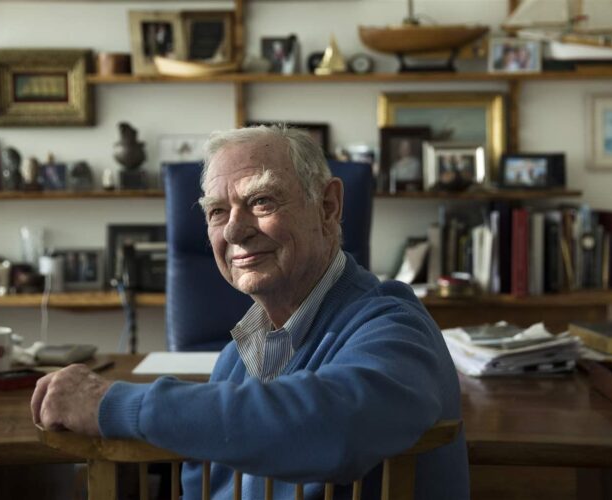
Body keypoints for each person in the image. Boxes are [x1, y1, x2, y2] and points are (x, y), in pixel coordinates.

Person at [31, 126, 468, 499]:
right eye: (217, 211)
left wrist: (116, 406)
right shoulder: (236, 357)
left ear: (328, 206)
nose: (235, 231)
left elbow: (336, 427)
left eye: (262, 201)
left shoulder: (394, 326)